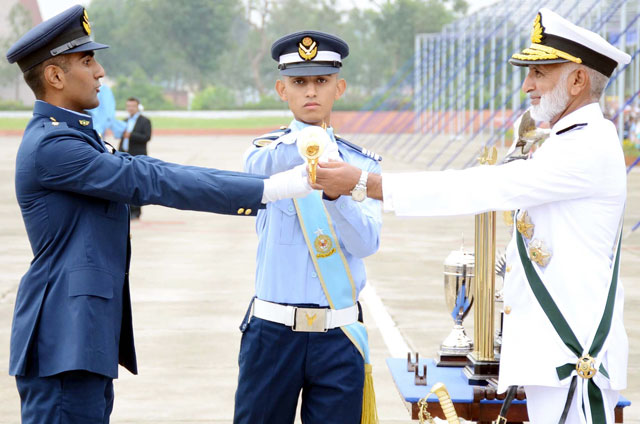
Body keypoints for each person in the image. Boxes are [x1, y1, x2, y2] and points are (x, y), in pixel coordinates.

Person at [314, 9, 628, 424]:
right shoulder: (567, 140)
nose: (527, 86)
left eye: (540, 73)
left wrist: (367, 183)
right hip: (554, 357)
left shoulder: (586, 147)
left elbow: (481, 187)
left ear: (576, 80)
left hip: (572, 360)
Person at [5, 6, 311, 424]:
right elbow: (149, 177)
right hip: (65, 339)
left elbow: (149, 173)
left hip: (79, 339)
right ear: (55, 77)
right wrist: (272, 188)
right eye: (88, 60)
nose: (100, 72)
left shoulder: (71, 135)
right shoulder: (54, 146)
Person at [233, 31, 382, 424]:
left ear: (340, 87)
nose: (310, 91)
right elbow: (252, 174)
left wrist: (339, 194)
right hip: (272, 333)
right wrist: (308, 144)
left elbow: (367, 242)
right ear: (282, 89)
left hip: (338, 335)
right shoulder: (266, 154)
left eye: (321, 81)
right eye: (299, 82)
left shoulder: (363, 165)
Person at [118, 97, 152, 218]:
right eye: (128, 106)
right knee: (125, 183)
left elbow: (146, 137)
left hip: (138, 156)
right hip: (125, 156)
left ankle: (136, 210)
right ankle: (128, 209)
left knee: (137, 183)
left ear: (138, 107)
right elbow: (122, 139)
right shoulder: (124, 121)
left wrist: (131, 135)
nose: (130, 108)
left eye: (133, 106)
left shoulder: (145, 121)